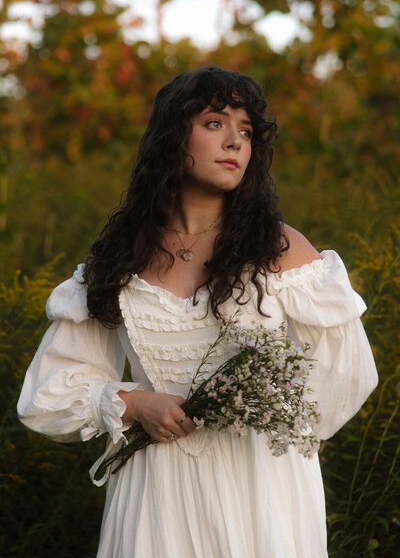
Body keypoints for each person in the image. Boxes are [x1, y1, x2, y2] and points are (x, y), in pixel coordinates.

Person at [17, 66, 378, 558]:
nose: (234, 142)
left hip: (261, 491)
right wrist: (135, 405)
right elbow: (46, 396)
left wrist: (263, 419)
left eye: (246, 132)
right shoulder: (119, 259)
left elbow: (348, 374)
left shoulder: (279, 249)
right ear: (172, 136)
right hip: (154, 495)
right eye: (215, 123)